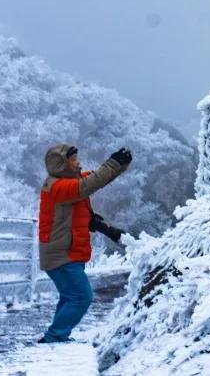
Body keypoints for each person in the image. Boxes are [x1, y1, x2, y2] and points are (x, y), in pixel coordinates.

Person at [37, 143, 132, 344]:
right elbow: (89, 185)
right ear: (61, 164)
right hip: (60, 253)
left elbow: (94, 179)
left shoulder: (68, 182)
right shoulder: (57, 186)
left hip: (68, 251)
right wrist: (113, 163)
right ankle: (54, 337)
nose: (77, 162)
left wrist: (120, 166)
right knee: (81, 296)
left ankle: (56, 336)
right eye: (72, 160)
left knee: (69, 296)